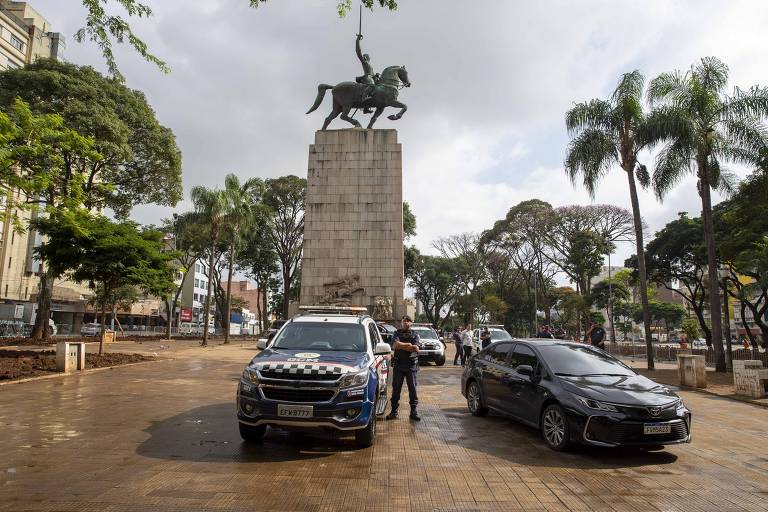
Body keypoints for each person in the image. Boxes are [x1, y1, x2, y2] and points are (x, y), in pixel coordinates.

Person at [386, 315, 422, 421]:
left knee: (413, 389)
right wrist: (408, 345)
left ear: (411, 323)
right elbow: (395, 345)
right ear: (401, 322)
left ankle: (413, 411)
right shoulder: (396, 333)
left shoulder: (415, 334)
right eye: (404, 321)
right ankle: (394, 411)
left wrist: (402, 345)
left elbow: (416, 348)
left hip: (411, 366)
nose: (405, 323)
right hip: (399, 365)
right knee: (396, 389)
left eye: (407, 321)